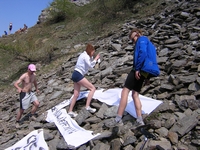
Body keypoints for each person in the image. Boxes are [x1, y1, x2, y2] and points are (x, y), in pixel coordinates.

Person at [106, 28, 160, 127]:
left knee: (125, 91)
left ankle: (118, 119)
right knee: (135, 94)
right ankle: (139, 120)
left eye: (134, 37)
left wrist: (138, 68)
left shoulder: (142, 39)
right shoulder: (150, 43)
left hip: (138, 69)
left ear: (138, 34)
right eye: (132, 39)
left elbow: (143, 52)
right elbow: (151, 58)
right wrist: (147, 77)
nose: (134, 40)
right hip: (145, 71)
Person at [68, 43, 100, 117]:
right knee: (92, 88)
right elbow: (91, 65)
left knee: (76, 94)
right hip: (79, 74)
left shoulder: (83, 55)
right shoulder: (85, 56)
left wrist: (93, 58)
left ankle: (70, 111)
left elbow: (89, 62)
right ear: (90, 51)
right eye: (93, 52)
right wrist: (95, 59)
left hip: (75, 74)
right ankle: (87, 106)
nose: (93, 53)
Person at [14, 64, 40, 128]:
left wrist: (36, 88)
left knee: (37, 103)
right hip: (24, 93)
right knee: (22, 109)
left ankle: (32, 114)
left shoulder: (34, 75)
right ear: (28, 69)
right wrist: (19, 88)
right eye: (31, 71)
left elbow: (34, 82)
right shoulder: (24, 76)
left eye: (33, 71)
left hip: (30, 92)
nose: (32, 72)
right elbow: (16, 83)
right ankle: (17, 121)